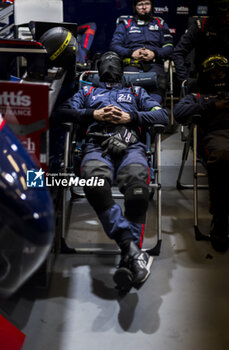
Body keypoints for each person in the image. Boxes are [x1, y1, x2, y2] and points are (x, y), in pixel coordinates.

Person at [55, 51, 169, 291]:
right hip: (96, 144)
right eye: (105, 62)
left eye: (114, 61)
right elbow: (60, 113)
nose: (110, 65)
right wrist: (92, 114)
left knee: (138, 189)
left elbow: (163, 115)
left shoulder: (137, 92)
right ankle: (131, 250)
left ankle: (128, 258)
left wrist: (131, 117)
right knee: (95, 184)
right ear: (97, 69)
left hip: (131, 144)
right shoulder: (87, 92)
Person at [174, 54, 229, 252]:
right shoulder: (198, 96)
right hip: (216, 137)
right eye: (213, 73)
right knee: (223, 158)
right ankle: (221, 219)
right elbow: (179, 114)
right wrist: (212, 105)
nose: (218, 76)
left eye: (221, 72)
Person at [109, 0, 173, 102]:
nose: (144, 7)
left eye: (147, 4)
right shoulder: (125, 23)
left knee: (156, 92)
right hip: (131, 65)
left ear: (152, 6)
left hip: (155, 65)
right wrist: (131, 53)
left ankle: (152, 109)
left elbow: (169, 47)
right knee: (129, 94)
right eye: (140, 4)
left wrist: (154, 54)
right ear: (135, 7)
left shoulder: (160, 23)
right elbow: (114, 45)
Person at [173, 0, 229, 85]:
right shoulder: (201, 26)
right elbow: (178, 52)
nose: (227, 16)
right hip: (203, 80)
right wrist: (184, 80)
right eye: (224, 14)